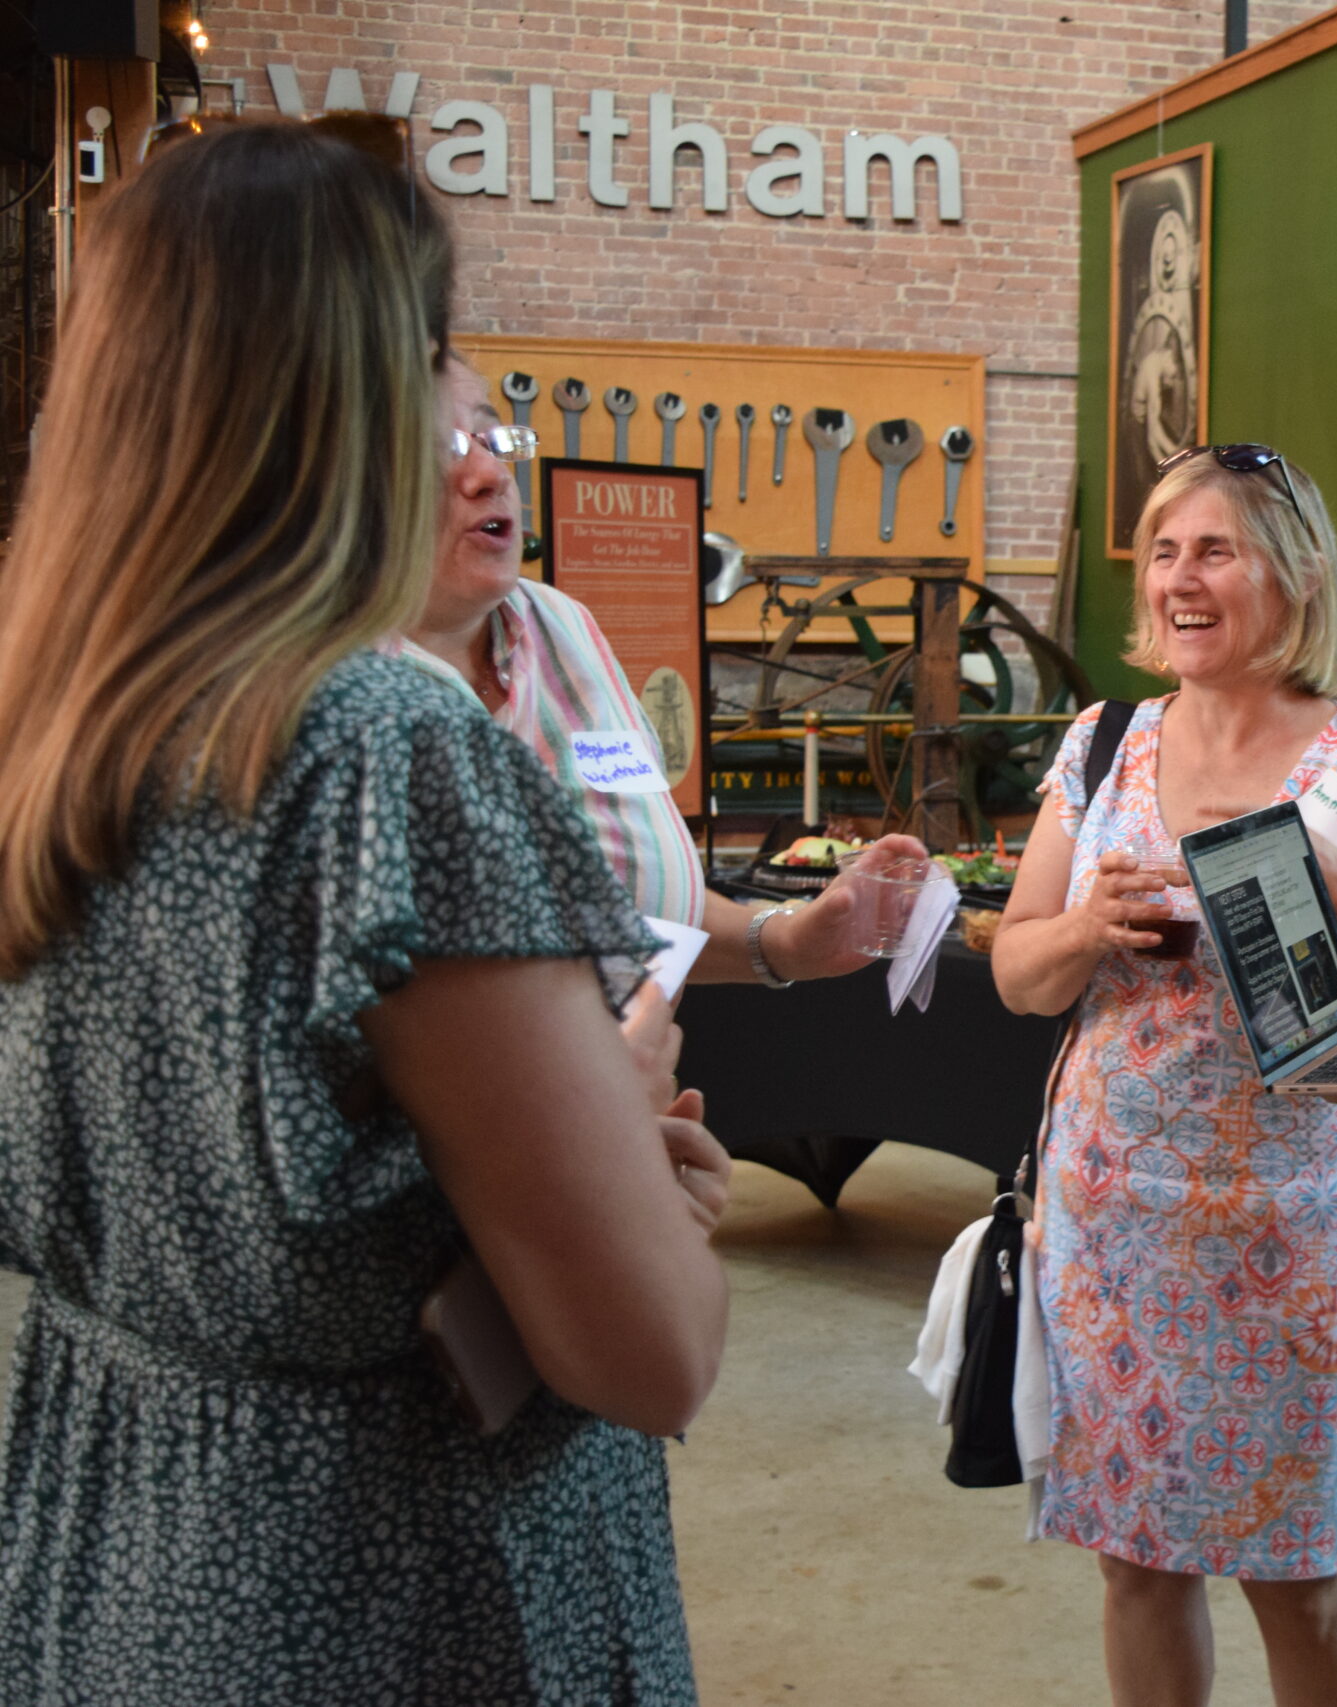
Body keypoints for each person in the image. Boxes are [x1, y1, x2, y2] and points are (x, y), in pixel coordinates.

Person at [0, 122, 728, 1702]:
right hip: (400, 1576)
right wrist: (621, 1117)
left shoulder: (51, 727)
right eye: (432, 351)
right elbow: (651, 1349)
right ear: (339, 389)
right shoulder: (383, 749)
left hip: (123, 1538)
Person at [992, 445, 1337, 1707]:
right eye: (1161, 551)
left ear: (1296, 571)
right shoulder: (1100, 745)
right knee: (1136, 1562)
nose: (1178, 580)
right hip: (1114, 1215)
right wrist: (1089, 927)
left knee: (1299, 1572)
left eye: (1214, 549)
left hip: (1298, 1230)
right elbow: (1017, 973)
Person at [402, 356, 928, 985]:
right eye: (445, 447)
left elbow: (641, 899)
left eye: (495, 439)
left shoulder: (560, 627)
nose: (490, 473)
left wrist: (785, 940)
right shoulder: (322, 694)